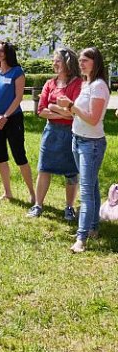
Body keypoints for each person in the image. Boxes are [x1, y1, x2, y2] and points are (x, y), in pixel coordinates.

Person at [57, 47, 109, 253]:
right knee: (92, 186)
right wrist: (64, 108)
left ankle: (81, 239)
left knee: (86, 191)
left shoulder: (99, 86)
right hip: (78, 139)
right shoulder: (87, 84)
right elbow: (79, 114)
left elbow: (93, 118)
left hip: (91, 144)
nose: (81, 63)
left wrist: (72, 106)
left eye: (85, 60)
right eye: (80, 60)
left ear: (96, 62)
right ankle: (93, 228)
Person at [27, 48, 82, 219]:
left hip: (71, 133)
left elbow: (74, 112)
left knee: (71, 172)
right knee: (44, 168)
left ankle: (69, 208)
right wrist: (62, 112)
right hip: (51, 131)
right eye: (54, 60)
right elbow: (41, 110)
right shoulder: (49, 84)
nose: (54, 64)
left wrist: (54, 107)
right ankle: (38, 205)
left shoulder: (77, 83)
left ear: (67, 62)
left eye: (57, 60)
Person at [0, 41, 36, 203]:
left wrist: (5, 116)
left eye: (1, 51)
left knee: (19, 155)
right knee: (0, 157)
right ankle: (7, 192)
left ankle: (33, 194)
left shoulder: (17, 72)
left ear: (8, 54)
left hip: (13, 119)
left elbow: (18, 97)